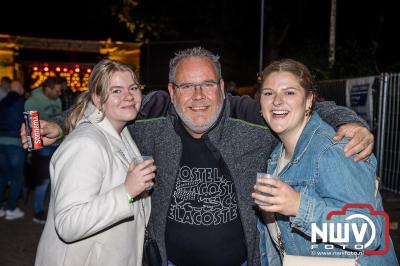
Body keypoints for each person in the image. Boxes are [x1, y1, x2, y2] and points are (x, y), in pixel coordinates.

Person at [23, 47, 374, 265]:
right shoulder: (154, 115)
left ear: (222, 88)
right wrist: (59, 125)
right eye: (186, 86)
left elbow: (304, 105)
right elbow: (110, 108)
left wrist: (352, 122)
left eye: (207, 84)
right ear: (171, 92)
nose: (198, 96)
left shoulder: (250, 113)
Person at [252, 59, 398, 265]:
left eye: (289, 92)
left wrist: (299, 206)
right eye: (269, 93)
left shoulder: (332, 150)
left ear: (309, 100)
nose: (277, 101)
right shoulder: (277, 155)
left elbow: (369, 233)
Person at [34, 59, 155, 266]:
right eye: (116, 91)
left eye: (133, 88)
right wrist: (126, 191)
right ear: (98, 99)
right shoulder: (85, 144)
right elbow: (68, 224)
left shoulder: (121, 130)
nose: (128, 96)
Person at [25, 76, 63, 223]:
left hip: (58, 144)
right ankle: (38, 211)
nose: (60, 94)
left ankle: (55, 210)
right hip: (43, 148)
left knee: (56, 179)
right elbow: (30, 126)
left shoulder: (58, 100)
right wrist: (34, 151)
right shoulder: (32, 101)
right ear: (47, 89)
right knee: (44, 181)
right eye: (57, 91)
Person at [0, 80, 26, 220]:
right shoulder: (22, 102)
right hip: (15, 142)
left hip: (0, 142)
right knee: (16, 178)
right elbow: (29, 121)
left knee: (2, 177)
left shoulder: (2, 101)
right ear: (20, 88)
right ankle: (10, 209)